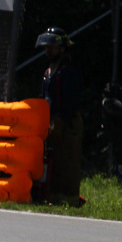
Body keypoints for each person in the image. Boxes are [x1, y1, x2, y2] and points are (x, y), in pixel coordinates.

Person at [36, 26, 85, 206]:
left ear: (62, 48)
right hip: (50, 120)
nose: (48, 51)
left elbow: (71, 99)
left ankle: (69, 198)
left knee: (68, 160)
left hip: (68, 121)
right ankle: (50, 193)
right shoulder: (48, 72)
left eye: (52, 47)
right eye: (46, 47)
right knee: (51, 160)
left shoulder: (69, 70)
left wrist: (62, 120)